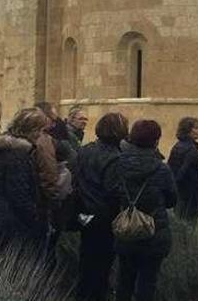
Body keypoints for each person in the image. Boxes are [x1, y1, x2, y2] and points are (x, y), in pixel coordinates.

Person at [105, 119, 177, 301]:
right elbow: (171, 199)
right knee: (148, 283)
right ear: (156, 141)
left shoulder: (118, 164)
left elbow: (111, 191)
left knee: (124, 280)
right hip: (153, 231)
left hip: (126, 229)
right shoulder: (161, 169)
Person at [75, 112, 128, 301]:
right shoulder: (115, 157)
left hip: (84, 214)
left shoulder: (85, 150)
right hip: (103, 218)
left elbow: (76, 180)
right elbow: (113, 190)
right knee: (101, 269)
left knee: (86, 265)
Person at [0, 108, 48, 253]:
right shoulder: (18, 156)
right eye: (40, 130)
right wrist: (36, 219)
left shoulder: (6, 150)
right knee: (15, 267)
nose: (41, 135)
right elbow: (19, 196)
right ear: (30, 130)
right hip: (12, 221)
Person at [167, 116, 198, 225]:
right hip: (190, 192)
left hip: (179, 192)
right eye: (196, 128)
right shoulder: (191, 149)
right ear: (188, 130)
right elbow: (186, 171)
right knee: (189, 225)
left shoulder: (176, 146)